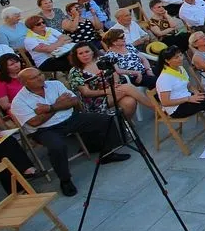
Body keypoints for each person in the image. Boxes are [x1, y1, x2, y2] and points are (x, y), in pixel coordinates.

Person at [11, 67, 129, 196]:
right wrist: (59, 104)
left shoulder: (54, 84)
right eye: (34, 77)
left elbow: (74, 100)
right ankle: (65, 180)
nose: (40, 78)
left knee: (106, 120)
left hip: (69, 118)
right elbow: (35, 122)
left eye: (40, 74)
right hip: (44, 129)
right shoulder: (18, 101)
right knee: (57, 146)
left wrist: (50, 108)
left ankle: (108, 153)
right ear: (24, 82)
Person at [67, 43, 156, 118]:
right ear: (76, 56)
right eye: (81, 53)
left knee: (129, 102)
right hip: (95, 100)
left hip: (114, 91)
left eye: (87, 51)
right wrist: (107, 91)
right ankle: (157, 109)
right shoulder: (75, 71)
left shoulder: (101, 60)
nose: (85, 55)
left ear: (92, 51)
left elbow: (114, 72)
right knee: (127, 88)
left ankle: (127, 126)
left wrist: (115, 83)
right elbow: (86, 92)